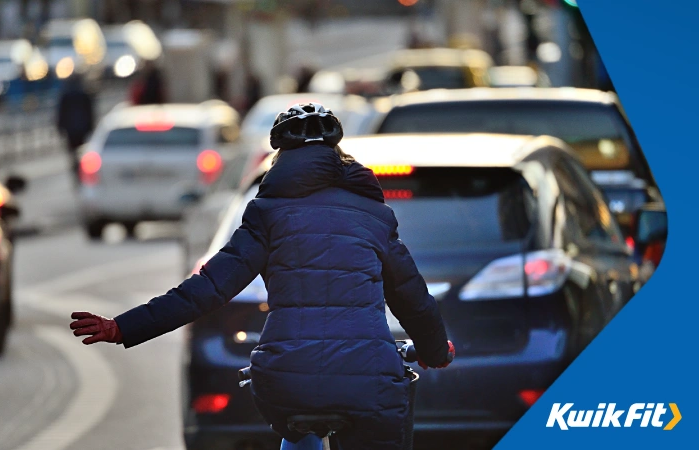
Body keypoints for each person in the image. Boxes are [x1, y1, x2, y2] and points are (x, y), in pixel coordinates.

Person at [70, 103, 455, 450]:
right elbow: (412, 298)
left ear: (281, 159)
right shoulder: (374, 216)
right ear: (338, 156)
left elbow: (206, 289)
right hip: (369, 380)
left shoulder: (266, 213)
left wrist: (123, 327)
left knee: (298, 422)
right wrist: (436, 351)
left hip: (286, 380)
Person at [57, 73, 94, 178]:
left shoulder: (65, 95)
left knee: (73, 152)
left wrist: (60, 127)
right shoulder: (84, 94)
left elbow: (61, 113)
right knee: (82, 152)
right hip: (83, 128)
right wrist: (91, 127)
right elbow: (90, 113)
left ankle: (76, 170)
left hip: (70, 129)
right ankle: (81, 170)